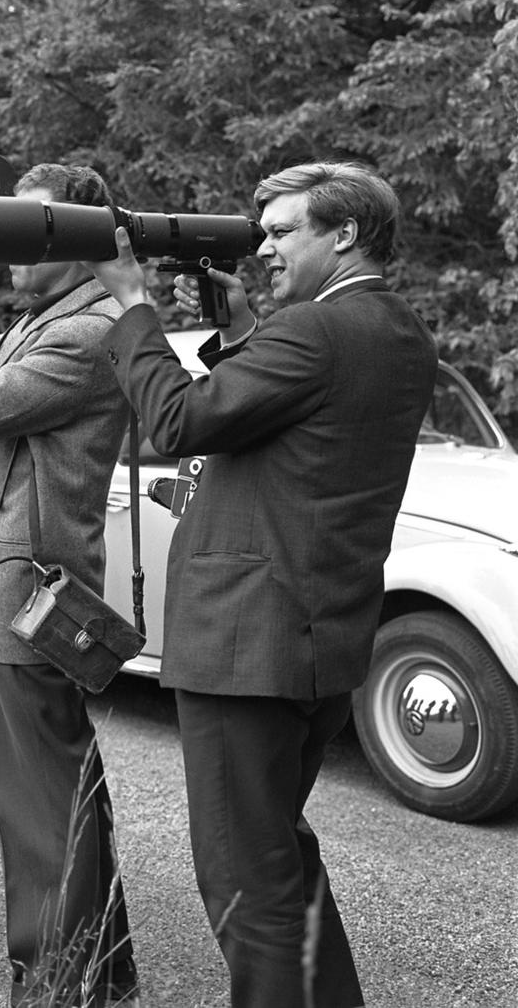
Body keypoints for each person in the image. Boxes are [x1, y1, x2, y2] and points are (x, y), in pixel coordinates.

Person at [88, 161, 438, 1008]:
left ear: (344, 232)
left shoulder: (314, 332)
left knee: (249, 884)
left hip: (247, 644)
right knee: (278, 852)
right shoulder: (394, 330)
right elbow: (293, 429)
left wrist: (130, 302)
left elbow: (176, 420)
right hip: (312, 639)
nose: (263, 245)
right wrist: (243, 328)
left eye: (282, 231)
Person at [0, 163, 138, 1008]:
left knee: (42, 802)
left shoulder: (89, 329)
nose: (1, 251)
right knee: (49, 790)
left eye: (23, 231)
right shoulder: (46, 320)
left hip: (32, 595)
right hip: (6, 585)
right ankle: (96, 968)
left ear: (76, 239)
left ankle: (58, 976)